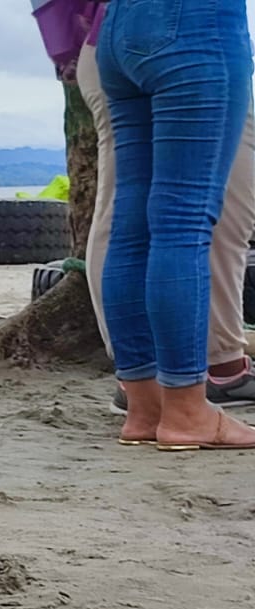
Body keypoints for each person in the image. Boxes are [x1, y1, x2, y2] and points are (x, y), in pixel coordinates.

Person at [71, 6, 255, 414]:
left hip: (115, 29)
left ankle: (145, 397)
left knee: (131, 223)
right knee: (182, 221)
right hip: (192, 25)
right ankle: (186, 405)